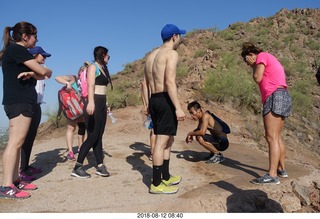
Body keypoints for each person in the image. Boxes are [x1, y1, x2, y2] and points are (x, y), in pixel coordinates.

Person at [0, 21, 52, 199]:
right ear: (25, 37)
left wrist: (33, 73)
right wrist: (38, 72)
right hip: (19, 102)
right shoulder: (18, 50)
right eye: (35, 36)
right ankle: (6, 186)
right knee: (15, 142)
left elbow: (44, 73)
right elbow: (44, 72)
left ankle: (14, 180)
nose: (36, 39)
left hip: (22, 101)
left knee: (17, 142)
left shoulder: (17, 52)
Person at [241, 42, 292, 185]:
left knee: (271, 137)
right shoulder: (270, 57)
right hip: (282, 95)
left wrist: (253, 65)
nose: (247, 63)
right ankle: (282, 169)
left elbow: (257, 77)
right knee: (276, 136)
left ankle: (272, 175)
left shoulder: (262, 56)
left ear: (251, 54)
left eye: (246, 59)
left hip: (274, 95)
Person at [144, 24, 186, 194]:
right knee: (161, 143)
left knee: (168, 140)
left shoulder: (151, 56)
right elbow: (169, 82)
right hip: (164, 99)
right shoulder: (171, 54)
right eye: (180, 36)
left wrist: (147, 104)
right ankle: (156, 183)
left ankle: (166, 176)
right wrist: (178, 107)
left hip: (154, 99)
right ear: (174, 36)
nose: (180, 39)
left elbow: (146, 84)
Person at [71, 46, 112, 178]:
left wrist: (105, 104)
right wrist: (91, 102)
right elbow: (90, 85)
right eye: (108, 56)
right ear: (103, 55)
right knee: (93, 136)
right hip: (93, 102)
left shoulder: (102, 68)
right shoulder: (93, 67)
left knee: (99, 135)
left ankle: (100, 166)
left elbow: (103, 89)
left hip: (101, 103)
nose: (108, 58)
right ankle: (77, 166)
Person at [19, 46, 51, 181]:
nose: (44, 58)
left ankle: (26, 167)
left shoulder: (39, 71)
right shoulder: (28, 69)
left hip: (37, 106)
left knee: (31, 138)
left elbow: (48, 73)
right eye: (42, 55)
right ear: (34, 56)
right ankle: (21, 170)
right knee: (23, 139)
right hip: (28, 105)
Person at [55, 63, 88, 160]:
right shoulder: (73, 78)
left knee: (82, 127)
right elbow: (57, 77)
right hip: (72, 109)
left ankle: (80, 148)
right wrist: (67, 83)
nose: (84, 74)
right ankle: (70, 151)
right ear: (79, 73)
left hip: (82, 108)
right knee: (71, 128)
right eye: (83, 72)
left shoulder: (87, 82)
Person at [140, 78, 155, 161]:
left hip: (152, 103)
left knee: (154, 130)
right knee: (154, 130)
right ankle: (153, 152)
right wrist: (146, 105)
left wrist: (145, 105)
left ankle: (153, 151)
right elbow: (143, 86)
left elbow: (142, 89)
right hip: (154, 103)